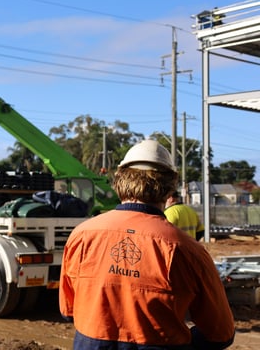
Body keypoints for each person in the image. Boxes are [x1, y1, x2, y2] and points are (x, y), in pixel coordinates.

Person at [59, 139, 235, 349]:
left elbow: (68, 310)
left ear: (119, 179)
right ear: (170, 186)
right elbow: (221, 333)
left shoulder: (82, 236)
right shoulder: (188, 250)